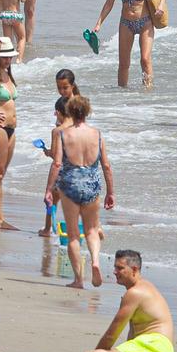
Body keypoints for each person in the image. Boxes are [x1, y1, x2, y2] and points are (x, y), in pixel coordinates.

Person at [45, 94, 113, 288]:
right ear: (87, 112)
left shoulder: (63, 134)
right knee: (92, 229)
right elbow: (106, 166)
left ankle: (78, 280)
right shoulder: (97, 134)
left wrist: (49, 189)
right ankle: (95, 262)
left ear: (70, 112)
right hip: (92, 184)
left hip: (70, 185)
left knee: (74, 234)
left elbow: (57, 164)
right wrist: (110, 192)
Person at [80, 249, 174, 352]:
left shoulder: (135, 293)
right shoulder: (145, 287)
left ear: (134, 270)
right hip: (158, 350)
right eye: (115, 267)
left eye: (120, 268)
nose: (114, 272)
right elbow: (133, 334)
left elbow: (111, 335)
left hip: (153, 347)